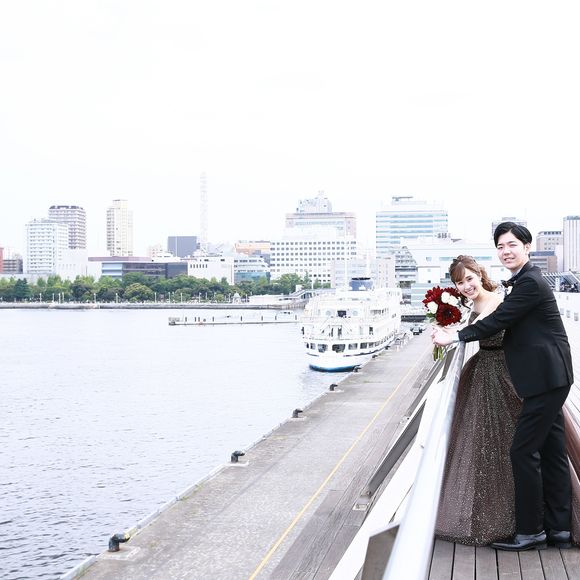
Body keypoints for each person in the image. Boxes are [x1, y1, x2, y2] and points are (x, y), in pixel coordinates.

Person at [433, 222, 574, 551]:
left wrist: (454, 336)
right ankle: (559, 529)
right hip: (548, 376)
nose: (506, 251)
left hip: (546, 378)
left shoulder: (530, 282)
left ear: (527, 247)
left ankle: (531, 531)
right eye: (500, 246)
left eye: (512, 244)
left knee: (522, 451)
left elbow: (499, 320)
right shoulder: (524, 281)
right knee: (552, 453)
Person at [435, 255, 523, 545]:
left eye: (469, 279)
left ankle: (509, 517)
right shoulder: (473, 304)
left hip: (500, 371)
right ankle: (485, 511)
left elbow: (481, 328)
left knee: (502, 442)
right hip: (483, 368)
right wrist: (445, 329)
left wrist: (452, 335)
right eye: (460, 283)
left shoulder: (495, 300)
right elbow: (468, 328)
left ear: (479, 274)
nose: (466, 286)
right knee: (483, 443)